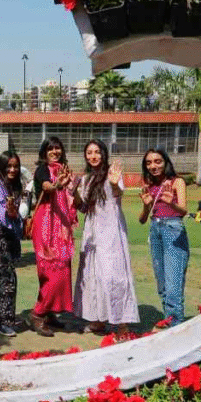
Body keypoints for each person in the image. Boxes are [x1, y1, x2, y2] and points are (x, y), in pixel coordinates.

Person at [73, 139, 139, 335]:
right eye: (89, 153)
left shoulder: (113, 174)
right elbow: (83, 207)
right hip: (92, 233)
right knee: (93, 275)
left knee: (114, 275)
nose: (93, 156)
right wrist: (72, 191)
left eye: (97, 152)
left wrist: (114, 184)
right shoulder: (86, 180)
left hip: (111, 232)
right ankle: (98, 320)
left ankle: (121, 323)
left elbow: (118, 195)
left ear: (103, 154)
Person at [28, 137, 78, 337]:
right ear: (44, 152)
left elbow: (72, 196)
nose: (55, 151)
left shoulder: (65, 169)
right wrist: (58, 184)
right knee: (51, 271)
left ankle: (49, 314)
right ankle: (37, 313)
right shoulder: (42, 169)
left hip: (62, 226)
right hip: (46, 224)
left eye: (58, 148)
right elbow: (47, 186)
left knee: (63, 269)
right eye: (51, 148)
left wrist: (71, 185)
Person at [138, 148, 190, 326]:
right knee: (162, 284)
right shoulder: (149, 186)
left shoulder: (177, 182)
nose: (153, 166)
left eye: (157, 161)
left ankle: (176, 326)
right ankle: (169, 321)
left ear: (166, 162)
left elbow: (183, 210)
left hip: (173, 230)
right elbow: (142, 220)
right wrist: (146, 205)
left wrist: (172, 203)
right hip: (155, 230)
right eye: (149, 162)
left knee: (173, 284)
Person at [0, 151, 25, 337]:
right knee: (9, 276)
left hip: (9, 234)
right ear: (1, 166)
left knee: (2, 273)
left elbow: (16, 214)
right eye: (8, 166)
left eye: (15, 166)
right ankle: (2, 321)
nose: (12, 169)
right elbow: (1, 213)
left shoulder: (15, 186)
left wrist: (17, 216)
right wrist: (12, 212)